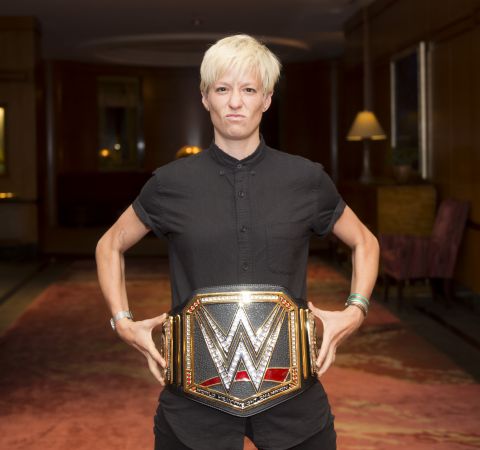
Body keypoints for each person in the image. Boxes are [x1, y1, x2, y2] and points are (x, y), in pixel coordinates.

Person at [95, 34, 379, 450]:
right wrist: (122, 322)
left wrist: (356, 310)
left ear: (266, 99)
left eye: (248, 90)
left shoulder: (306, 179)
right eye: (222, 89)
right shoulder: (170, 183)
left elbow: (365, 242)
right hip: (193, 399)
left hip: (293, 396)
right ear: (205, 97)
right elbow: (110, 245)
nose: (234, 102)